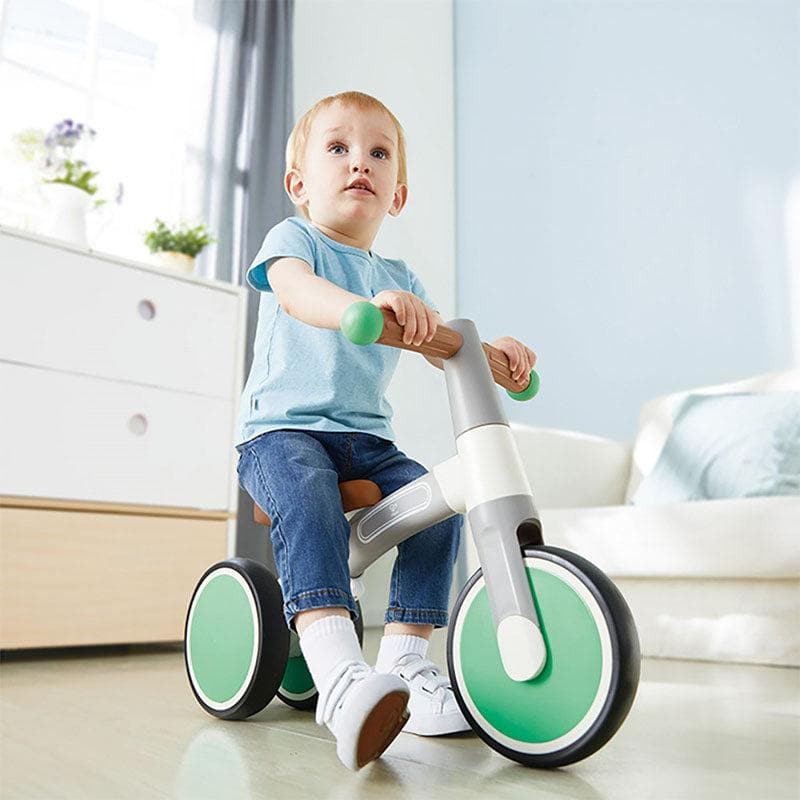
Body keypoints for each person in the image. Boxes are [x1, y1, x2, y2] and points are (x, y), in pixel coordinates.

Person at [235, 91, 537, 770]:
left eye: (378, 153)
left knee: (438, 503)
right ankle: (340, 677)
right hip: (280, 435)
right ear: (299, 184)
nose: (359, 163)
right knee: (306, 491)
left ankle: (405, 663)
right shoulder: (294, 241)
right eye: (338, 148)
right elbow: (296, 293)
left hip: (365, 443)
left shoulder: (400, 279)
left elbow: (441, 344)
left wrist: (496, 356)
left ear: (397, 195)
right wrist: (361, 307)